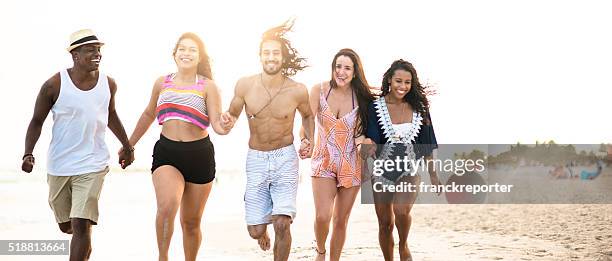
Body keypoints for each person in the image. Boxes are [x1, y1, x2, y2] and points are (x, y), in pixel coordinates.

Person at [21, 29, 134, 261]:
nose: (97, 54)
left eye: (99, 49)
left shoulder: (108, 84)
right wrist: (28, 153)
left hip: (93, 162)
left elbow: (111, 114)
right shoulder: (53, 85)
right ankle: (83, 245)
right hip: (60, 164)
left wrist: (127, 146)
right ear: (75, 54)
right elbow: (36, 121)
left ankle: (82, 240)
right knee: (67, 226)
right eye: (90, 50)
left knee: (81, 223)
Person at [124, 32, 229, 261]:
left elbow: (217, 124)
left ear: (199, 56)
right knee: (167, 205)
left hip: (199, 155)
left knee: (191, 222)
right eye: (182, 48)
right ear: (175, 54)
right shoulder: (162, 82)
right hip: (167, 152)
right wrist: (129, 145)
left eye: (192, 49)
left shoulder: (208, 86)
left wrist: (226, 125)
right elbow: (149, 113)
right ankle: (163, 257)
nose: (186, 53)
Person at [222, 20, 314, 261]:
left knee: (283, 223)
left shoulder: (297, 90)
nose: (271, 57)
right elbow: (231, 112)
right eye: (266, 53)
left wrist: (309, 139)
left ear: (282, 57)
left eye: (276, 53)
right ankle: (261, 229)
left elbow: (307, 116)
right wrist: (227, 119)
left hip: (285, 157)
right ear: (260, 56)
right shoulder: (245, 85)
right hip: (257, 159)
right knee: (256, 230)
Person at [362, 59, 442, 261]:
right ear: (390, 79)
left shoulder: (420, 108)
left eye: (407, 82)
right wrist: (368, 147)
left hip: (409, 170)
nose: (403, 87)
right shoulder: (375, 107)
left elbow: (427, 143)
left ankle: (403, 245)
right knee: (385, 224)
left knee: (400, 209)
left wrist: (433, 175)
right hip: (382, 171)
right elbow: (371, 135)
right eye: (399, 81)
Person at [307, 48, 374, 261]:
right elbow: (307, 122)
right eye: (338, 67)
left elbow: (367, 136)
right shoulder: (319, 90)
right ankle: (320, 251)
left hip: (352, 163)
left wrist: (365, 142)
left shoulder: (363, 99)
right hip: (323, 160)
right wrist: (305, 139)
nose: (341, 72)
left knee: (340, 220)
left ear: (355, 72)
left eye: (347, 68)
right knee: (322, 216)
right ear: (332, 68)